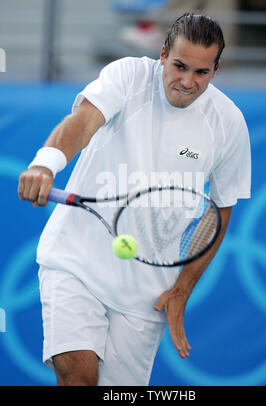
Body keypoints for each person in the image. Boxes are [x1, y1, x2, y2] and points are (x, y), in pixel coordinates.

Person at [18, 13, 251, 386]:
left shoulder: (228, 122)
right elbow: (83, 121)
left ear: (216, 70)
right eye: (179, 66)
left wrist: (182, 289)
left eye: (201, 73)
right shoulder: (127, 76)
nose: (187, 82)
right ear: (162, 53)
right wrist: (46, 163)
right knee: (77, 373)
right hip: (76, 262)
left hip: (146, 294)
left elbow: (219, 213)